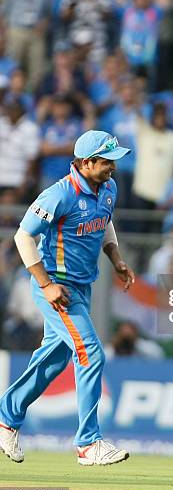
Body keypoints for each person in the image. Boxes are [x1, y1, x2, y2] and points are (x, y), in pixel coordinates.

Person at [0, 130, 135, 466]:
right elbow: (23, 237)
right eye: (106, 161)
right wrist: (46, 285)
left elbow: (104, 223)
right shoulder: (59, 194)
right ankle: (88, 443)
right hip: (57, 289)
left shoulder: (108, 188)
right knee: (90, 351)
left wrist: (115, 258)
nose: (112, 167)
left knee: (54, 360)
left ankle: (6, 418)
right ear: (85, 163)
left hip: (81, 287)